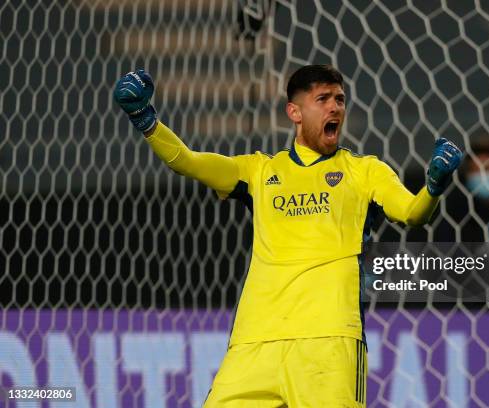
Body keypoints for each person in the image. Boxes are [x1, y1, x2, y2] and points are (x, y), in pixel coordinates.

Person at [114, 65, 462, 407]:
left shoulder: (365, 171)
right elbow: (187, 161)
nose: (335, 107)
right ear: (294, 112)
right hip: (254, 343)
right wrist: (145, 120)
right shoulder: (259, 171)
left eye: (340, 100)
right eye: (323, 98)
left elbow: (413, 213)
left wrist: (433, 188)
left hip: (328, 342)